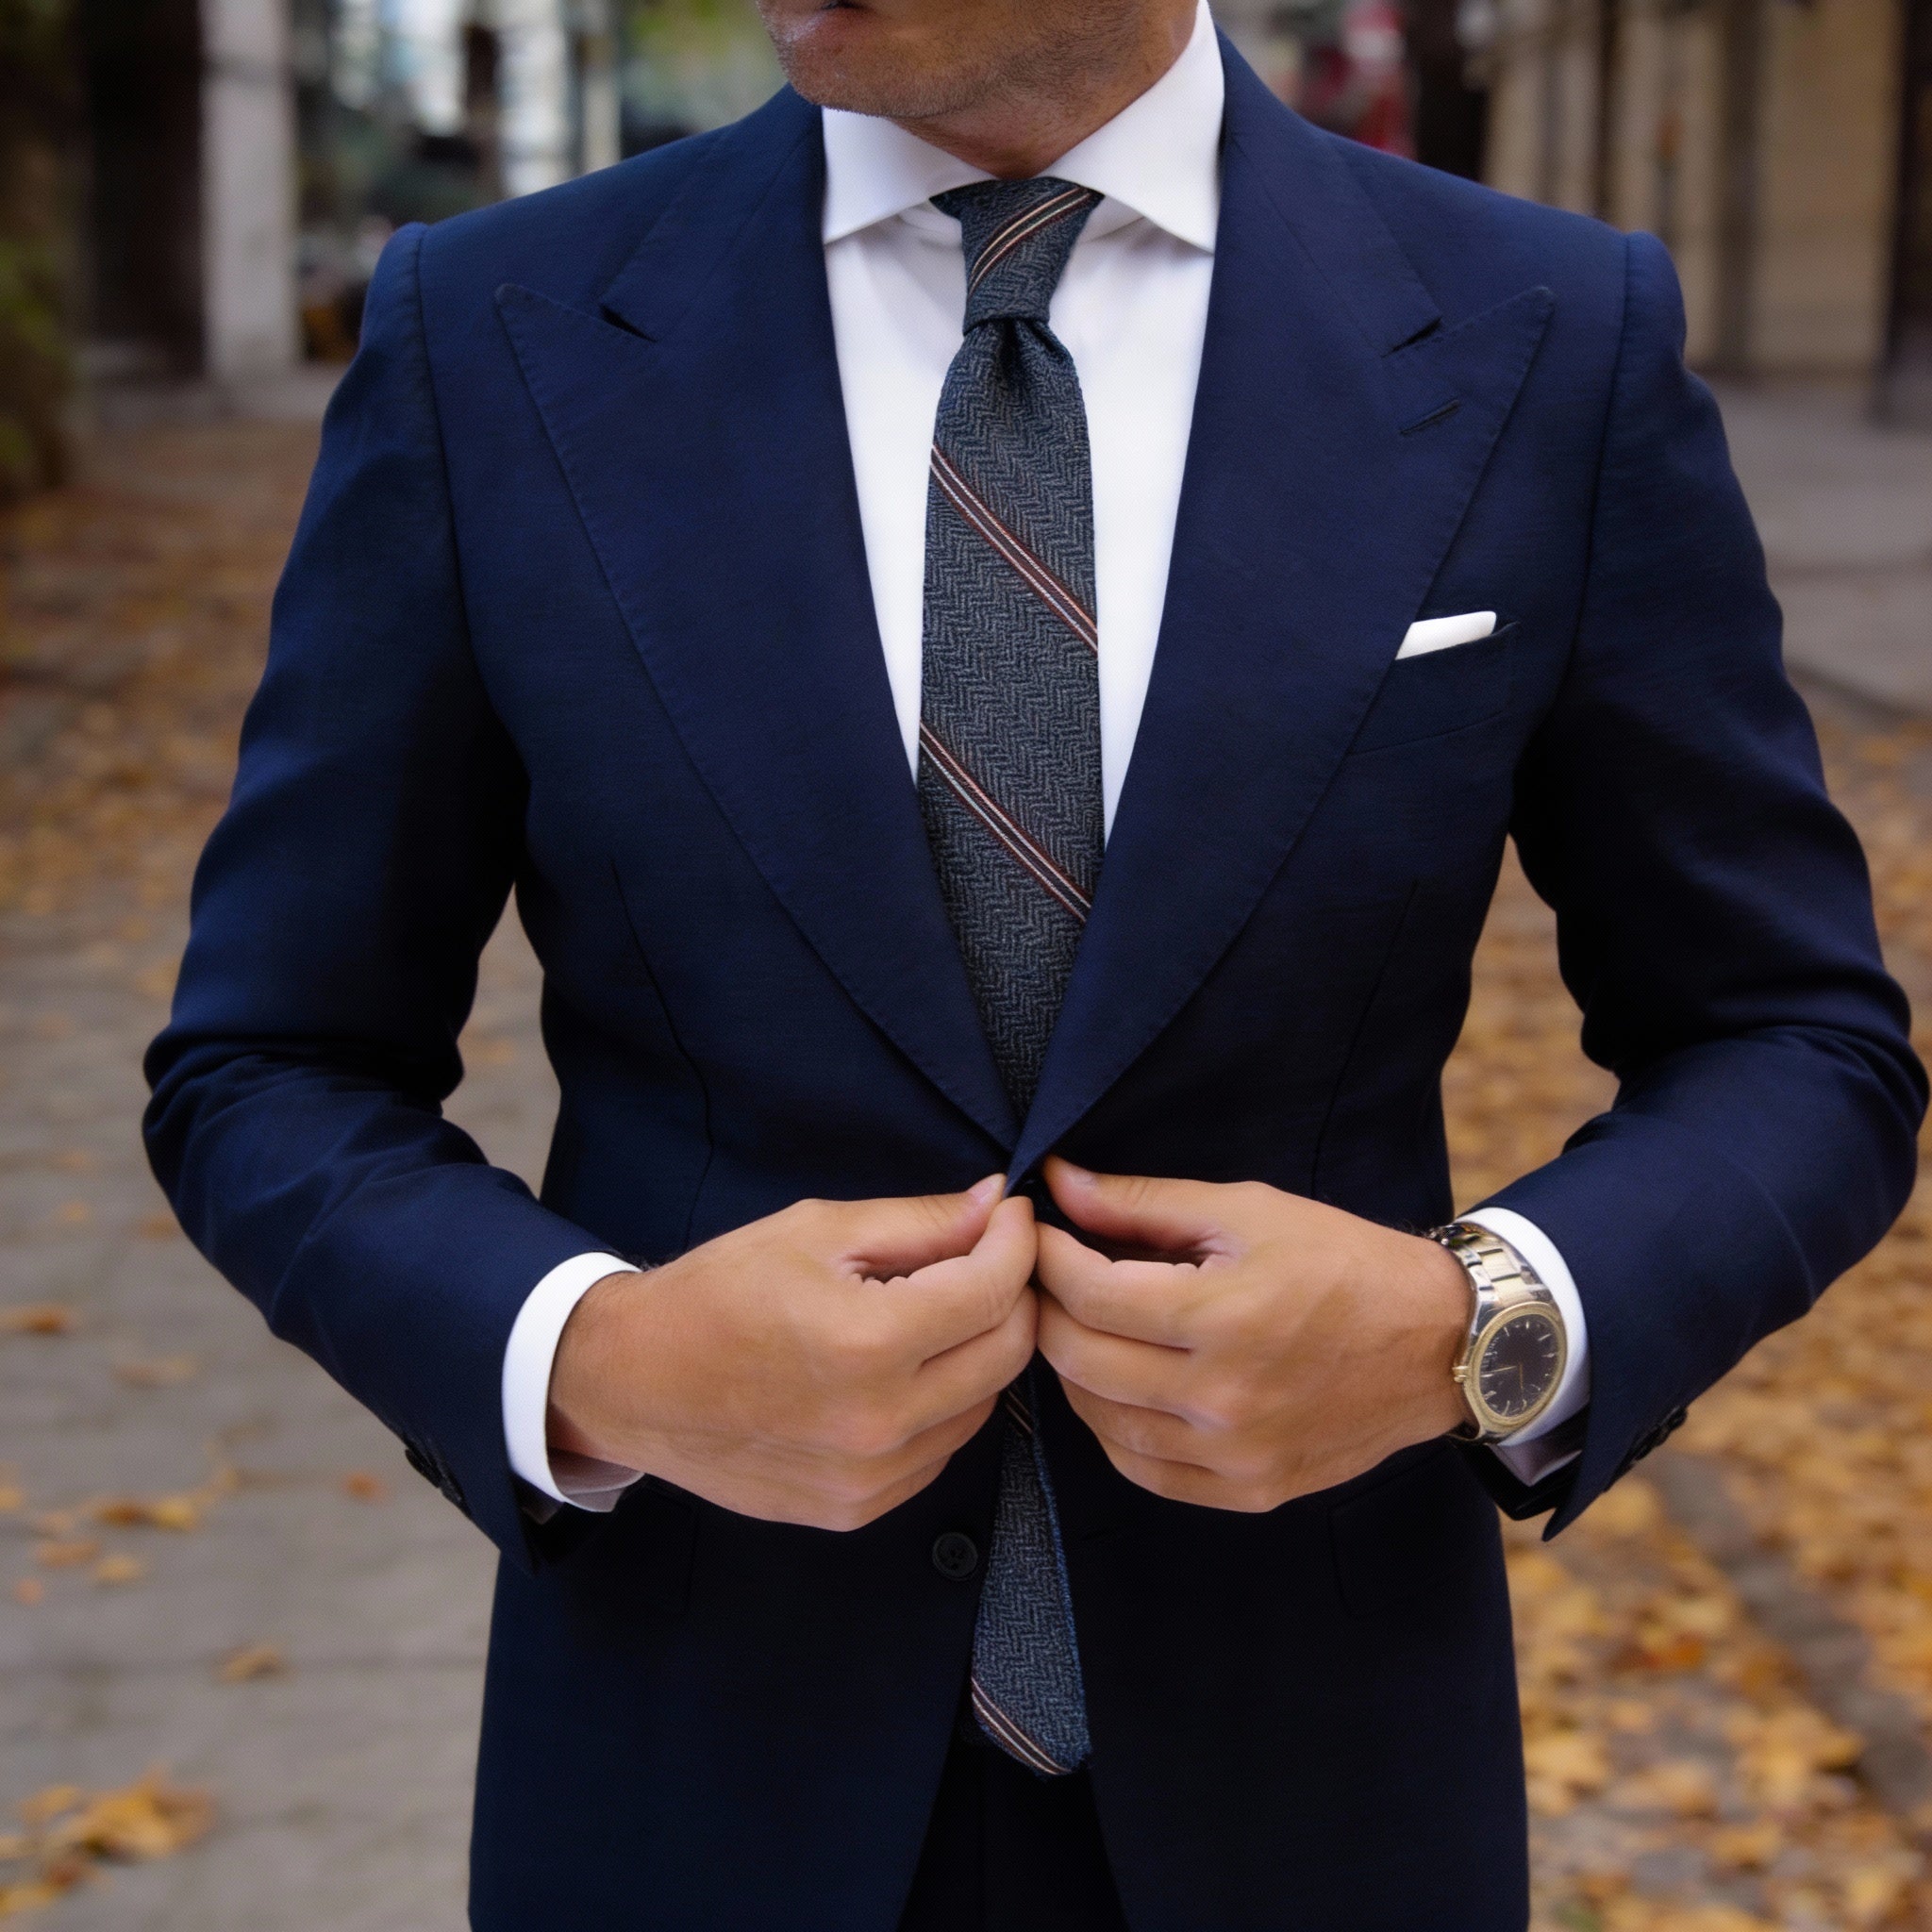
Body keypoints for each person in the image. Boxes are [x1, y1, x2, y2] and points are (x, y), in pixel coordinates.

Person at [142, 0, 1925, 1923]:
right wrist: (601, 1358)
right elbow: (270, 1063)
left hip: (1312, 1775)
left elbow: (1790, 1038)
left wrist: (1472, 1327)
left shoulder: (1543, 338)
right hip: (693, 1768)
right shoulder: (489, 332)